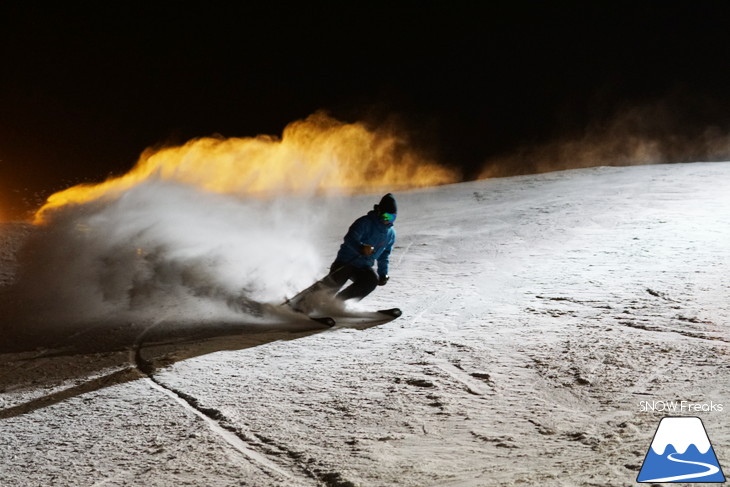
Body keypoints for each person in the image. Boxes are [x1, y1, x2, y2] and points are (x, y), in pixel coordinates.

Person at [325, 193, 397, 302]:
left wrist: (383, 273)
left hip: (363, 267)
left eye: (392, 217)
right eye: (385, 216)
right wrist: (361, 247)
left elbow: (384, 255)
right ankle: (307, 303)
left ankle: (340, 303)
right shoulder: (365, 222)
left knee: (371, 280)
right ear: (379, 212)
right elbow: (350, 238)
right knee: (336, 282)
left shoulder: (390, 234)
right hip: (346, 262)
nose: (388, 220)